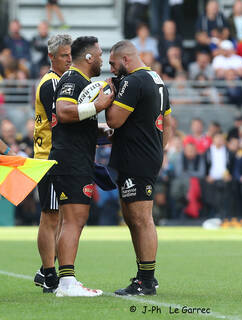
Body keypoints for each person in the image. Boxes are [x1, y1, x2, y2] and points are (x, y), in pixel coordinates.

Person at [49, 36, 114, 297]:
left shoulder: (80, 82)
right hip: (71, 161)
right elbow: (64, 112)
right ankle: (67, 283)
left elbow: (73, 123)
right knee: (74, 220)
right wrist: (98, 106)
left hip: (73, 158)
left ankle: (66, 281)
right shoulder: (72, 79)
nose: (101, 59)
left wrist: (100, 131)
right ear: (88, 57)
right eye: (99, 54)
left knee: (71, 220)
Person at [107, 40, 172, 295]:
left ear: (125, 60)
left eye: (113, 64)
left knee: (141, 219)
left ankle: (147, 280)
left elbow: (114, 119)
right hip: (143, 156)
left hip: (137, 158)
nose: (111, 69)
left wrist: (109, 96)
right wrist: (158, 151)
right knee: (132, 218)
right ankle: (144, 276)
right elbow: (168, 122)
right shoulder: (156, 79)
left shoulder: (133, 81)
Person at [32, 34, 72, 293]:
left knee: (58, 217)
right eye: (64, 56)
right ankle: (48, 273)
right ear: (51, 57)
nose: (69, 60)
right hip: (49, 158)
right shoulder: (51, 84)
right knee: (51, 217)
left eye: (71, 55)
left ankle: (44, 270)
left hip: (56, 157)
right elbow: (59, 122)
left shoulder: (60, 81)